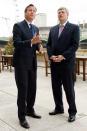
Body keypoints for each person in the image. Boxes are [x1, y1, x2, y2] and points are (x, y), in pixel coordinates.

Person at [13, 4, 43, 129]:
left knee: (32, 89)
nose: (32, 12)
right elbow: (17, 44)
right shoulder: (18, 26)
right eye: (30, 10)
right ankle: (22, 116)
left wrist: (39, 47)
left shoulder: (35, 28)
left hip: (32, 63)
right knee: (23, 90)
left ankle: (30, 110)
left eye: (34, 11)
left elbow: (35, 44)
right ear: (25, 13)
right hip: (21, 64)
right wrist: (31, 42)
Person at [47, 7, 80, 122]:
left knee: (69, 89)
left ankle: (72, 112)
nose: (60, 14)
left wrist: (63, 56)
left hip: (67, 64)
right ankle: (59, 108)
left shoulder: (74, 28)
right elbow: (49, 45)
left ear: (67, 14)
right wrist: (51, 55)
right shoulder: (53, 29)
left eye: (63, 12)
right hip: (54, 63)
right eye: (59, 12)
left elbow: (74, 45)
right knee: (55, 88)